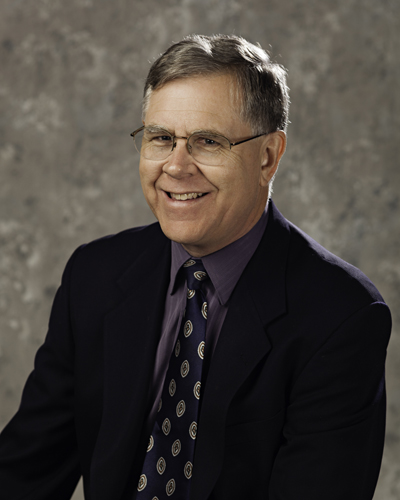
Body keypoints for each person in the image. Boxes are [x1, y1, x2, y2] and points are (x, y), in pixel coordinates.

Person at [0, 34, 391, 500]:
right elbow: (25, 473)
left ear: (268, 156)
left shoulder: (342, 316)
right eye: (161, 138)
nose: (176, 166)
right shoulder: (95, 276)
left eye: (208, 141)